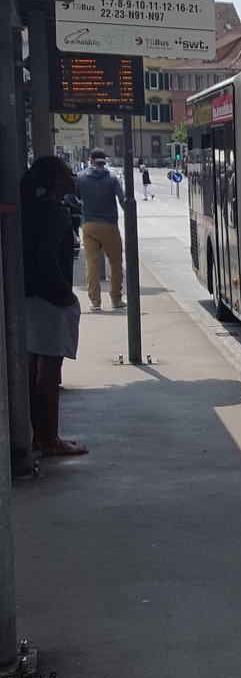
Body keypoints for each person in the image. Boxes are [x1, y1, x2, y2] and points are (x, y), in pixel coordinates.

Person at [20, 156, 88, 457]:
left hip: (30, 297)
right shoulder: (57, 214)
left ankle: (38, 436)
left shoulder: (30, 209)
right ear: (59, 181)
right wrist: (65, 295)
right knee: (50, 370)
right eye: (69, 174)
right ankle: (51, 439)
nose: (74, 179)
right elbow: (48, 257)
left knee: (34, 366)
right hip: (50, 301)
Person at [76, 148, 125, 311]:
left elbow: (72, 197)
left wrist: (81, 210)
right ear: (104, 161)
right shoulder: (112, 177)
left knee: (92, 264)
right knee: (116, 263)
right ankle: (116, 298)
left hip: (89, 225)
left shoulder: (81, 177)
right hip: (110, 224)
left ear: (91, 161)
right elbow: (123, 198)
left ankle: (95, 302)